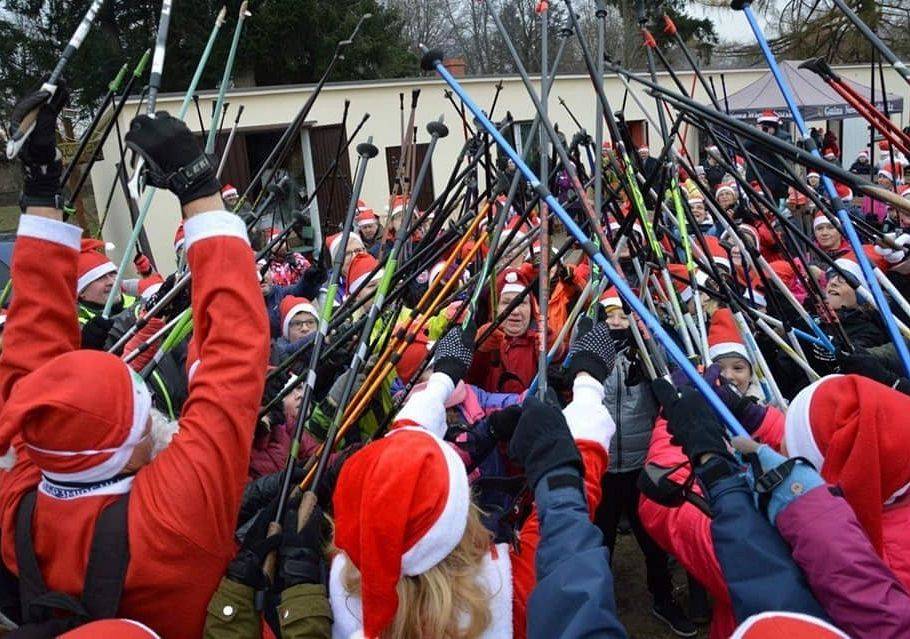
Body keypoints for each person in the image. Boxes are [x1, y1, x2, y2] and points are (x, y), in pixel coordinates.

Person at [0, 88, 269, 638]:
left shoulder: (21, 501)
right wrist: (197, 189)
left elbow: (31, 363)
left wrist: (43, 187)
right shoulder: (177, 511)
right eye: (142, 412)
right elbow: (234, 356)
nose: (153, 417)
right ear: (125, 455)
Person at [328, 319, 618, 638]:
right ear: (458, 519)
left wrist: (443, 378)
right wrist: (588, 381)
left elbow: (399, 455)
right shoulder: (504, 594)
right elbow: (569, 529)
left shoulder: (353, 575)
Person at [593, 289, 696, 637]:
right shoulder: (591, 355)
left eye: (623, 315)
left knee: (652, 542)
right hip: (603, 467)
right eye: (610, 315)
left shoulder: (649, 356)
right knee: (599, 541)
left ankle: (663, 598)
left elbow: (674, 378)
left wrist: (656, 346)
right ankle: (597, 606)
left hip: (640, 465)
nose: (617, 322)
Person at [781, 374, 910, 589]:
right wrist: (759, 419)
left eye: (788, 438)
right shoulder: (894, 480)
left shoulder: (870, 560)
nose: (781, 444)